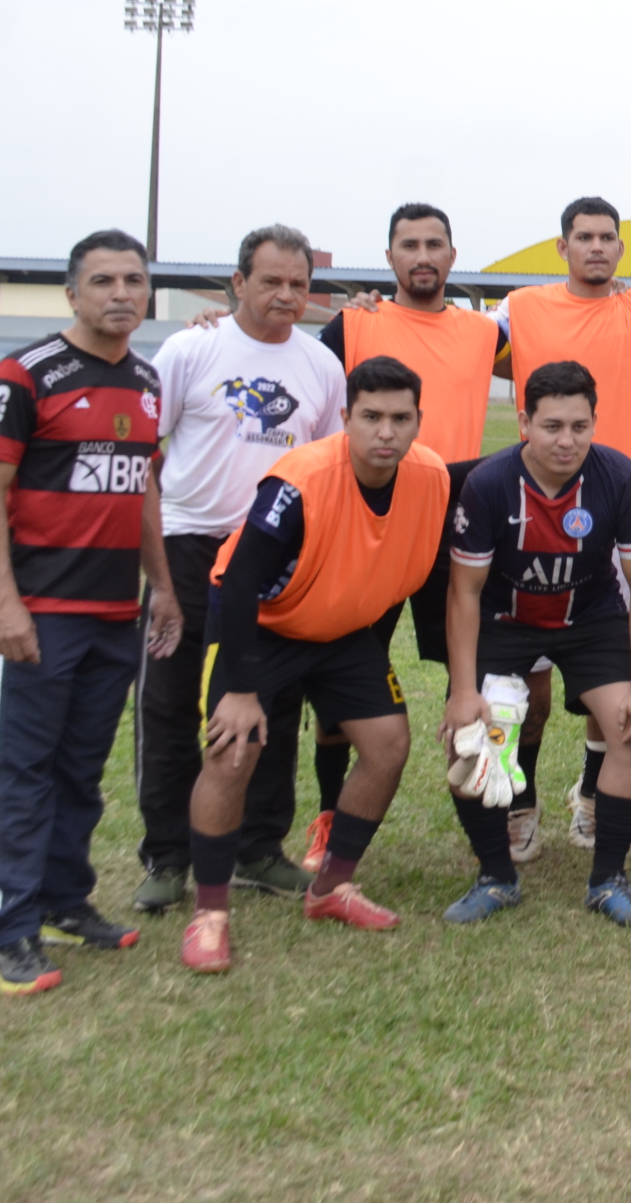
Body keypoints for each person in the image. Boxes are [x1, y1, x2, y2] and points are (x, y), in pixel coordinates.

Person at [181, 357, 451, 973]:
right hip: (263, 622)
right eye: (372, 417)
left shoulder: (430, 476)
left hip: (339, 629)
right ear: (345, 418)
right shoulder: (301, 479)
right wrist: (242, 688)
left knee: (387, 744)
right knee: (234, 749)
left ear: (418, 422)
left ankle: (332, 887)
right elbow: (243, 578)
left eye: (400, 419)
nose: (386, 432)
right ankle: (210, 914)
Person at [0, 229, 179, 994]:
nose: (121, 293)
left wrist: (162, 589)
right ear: (72, 293)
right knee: (23, 769)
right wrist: (6, 605)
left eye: (133, 279)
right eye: (103, 281)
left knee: (81, 770)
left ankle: (64, 900)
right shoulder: (27, 374)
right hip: (43, 610)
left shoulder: (150, 382)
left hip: (112, 611)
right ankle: (8, 925)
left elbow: (144, 491)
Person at [135, 224, 346, 914]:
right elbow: (144, 453)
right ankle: (168, 857)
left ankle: (258, 848)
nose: (286, 295)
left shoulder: (320, 367)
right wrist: (158, 571)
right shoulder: (191, 348)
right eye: (271, 282)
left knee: (273, 704)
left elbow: (327, 473)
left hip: (273, 558)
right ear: (238, 283)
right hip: (192, 547)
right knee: (171, 703)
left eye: (299, 284)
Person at [489, 196, 631, 863]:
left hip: (616, 512)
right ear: (563, 247)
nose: (597, 247)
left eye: (608, 237)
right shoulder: (520, 307)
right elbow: (464, 342)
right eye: (585, 237)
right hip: (534, 507)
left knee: (616, 679)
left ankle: (592, 795)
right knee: (530, 694)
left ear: (621, 249)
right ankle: (519, 801)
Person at [307, 203, 502, 877]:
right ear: (389, 258)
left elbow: (577, 351)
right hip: (371, 515)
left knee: (473, 680)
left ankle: (489, 831)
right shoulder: (355, 322)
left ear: (453, 256)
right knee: (345, 673)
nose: (423, 255)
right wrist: (212, 324)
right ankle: (328, 818)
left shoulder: (484, 331)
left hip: (457, 512)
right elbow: (290, 359)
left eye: (435, 245)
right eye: (409, 245)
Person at [440, 362, 631, 927]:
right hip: (505, 621)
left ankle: (608, 879)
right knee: (470, 742)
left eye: (580, 426)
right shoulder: (489, 484)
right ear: (524, 423)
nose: (567, 441)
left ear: (595, 422)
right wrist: (462, 690)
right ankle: (496, 878)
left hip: (591, 619)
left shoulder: (621, 477)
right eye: (551, 426)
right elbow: (464, 593)